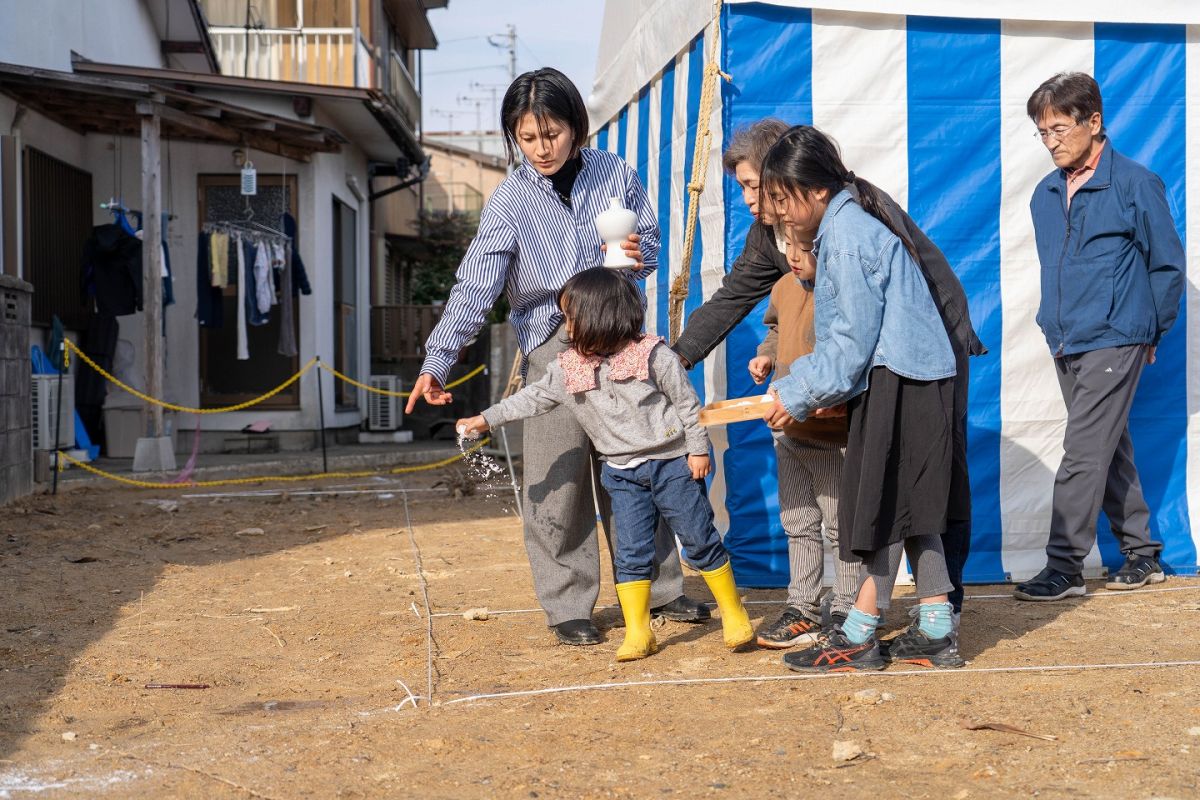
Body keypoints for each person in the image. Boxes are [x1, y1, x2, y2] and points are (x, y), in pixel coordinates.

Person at [406, 68, 707, 647]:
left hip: (622, 340)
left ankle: (661, 589)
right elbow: (477, 285)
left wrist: (639, 255)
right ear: (513, 138)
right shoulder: (510, 197)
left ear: (576, 127)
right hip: (554, 344)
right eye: (528, 137)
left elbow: (643, 241)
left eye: (553, 133)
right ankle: (568, 603)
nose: (542, 148)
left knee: (640, 460)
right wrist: (436, 361)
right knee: (559, 475)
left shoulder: (613, 173)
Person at [674, 119, 983, 625]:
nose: (754, 203)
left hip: (919, 352)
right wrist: (679, 355)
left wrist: (803, 389)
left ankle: (922, 610)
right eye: (748, 190)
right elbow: (736, 298)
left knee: (923, 485)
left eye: (758, 187)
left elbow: (867, 320)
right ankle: (907, 615)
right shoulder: (787, 229)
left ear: (796, 178)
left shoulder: (852, 223)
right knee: (889, 489)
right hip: (858, 365)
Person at [457, 269, 754, 660]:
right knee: (631, 550)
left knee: (699, 538)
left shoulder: (655, 357)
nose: (565, 326)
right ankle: (638, 632)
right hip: (622, 474)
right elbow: (532, 399)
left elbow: (687, 404)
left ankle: (734, 614)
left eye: (570, 317)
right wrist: (486, 418)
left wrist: (697, 451)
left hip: (672, 465)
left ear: (602, 316)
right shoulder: (569, 368)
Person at [759, 126, 963, 672]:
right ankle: (937, 630)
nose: (777, 213)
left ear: (817, 190)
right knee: (914, 509)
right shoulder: (851, 221)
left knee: (878, 509)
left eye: (782, 198)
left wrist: (796, 393)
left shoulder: (846, 236)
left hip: (898, 377)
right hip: (920, 374)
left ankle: (858, 634)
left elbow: (850, 344)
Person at [1014, 72, 1184, 602]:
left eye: (1060, 128)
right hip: (1067, 337)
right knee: (1108, 447)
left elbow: (1167, 265)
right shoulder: (1044, 193)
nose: (1051, 141)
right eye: (1042, 132)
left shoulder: (1137, 183)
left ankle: (1064, 565)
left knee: (1084, 450)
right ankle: (1141, 553)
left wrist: (1150, 329)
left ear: (1094, 122)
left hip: (1117, 333)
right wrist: (1051, 322)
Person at [747, 224, 858, 648]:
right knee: (797, 522)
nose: (793, 255)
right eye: (787, 246)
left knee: (839, 524)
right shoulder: (783, 287)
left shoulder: (840, 290)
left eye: (803, 247)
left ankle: (848, 605)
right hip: (786, 431)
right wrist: (765, 356)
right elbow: (776, 332)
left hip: (829, 432)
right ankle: (804, 607)